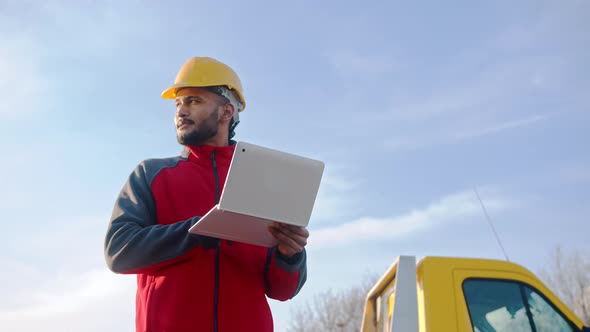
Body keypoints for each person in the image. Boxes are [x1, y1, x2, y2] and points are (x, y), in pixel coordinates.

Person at [104, 57, 309, 332]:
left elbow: (282, 290)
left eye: (194, 101)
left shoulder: (262, 179)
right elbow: (119, 251)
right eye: (178, 104)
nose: (181, 111)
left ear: (226, 112)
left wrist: (290, 255)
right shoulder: (151, 174)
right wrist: (197, 232)